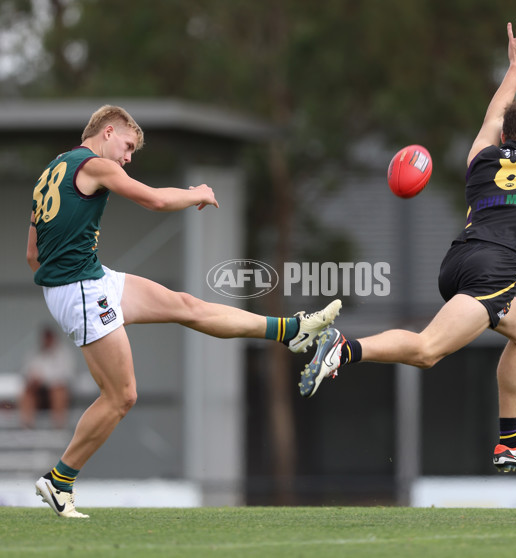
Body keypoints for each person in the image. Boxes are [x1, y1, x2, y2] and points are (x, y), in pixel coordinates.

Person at [27, 105, 342, 518]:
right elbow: (155, 200)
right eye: (126, 147)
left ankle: (291, 329)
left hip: (86, 280)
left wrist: (65, 284)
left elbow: (33, 254)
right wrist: (198, 192)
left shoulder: (53, 170)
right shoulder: (93, 165)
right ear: (107, 132)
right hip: (82, 287)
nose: (126, 158)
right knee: (122, 395)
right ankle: (59, 480)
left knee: (186, 306)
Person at [300, 15, 516, 474]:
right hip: (496, 269)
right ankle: (344, 348)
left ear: (504, 137)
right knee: (427, 351)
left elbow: (492, 117)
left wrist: (514, 67)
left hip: (458, 262)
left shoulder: (480, 158)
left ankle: (510, 442)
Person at [19, 325, 77, 430]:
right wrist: (34, 380)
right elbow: (26, 372)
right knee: (27, 392)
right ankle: (26, 425)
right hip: (39, 392)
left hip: (57, 391)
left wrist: (46, 380)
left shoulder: (64, 354)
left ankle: (58, 425)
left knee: (58, 390)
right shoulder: (34, 353)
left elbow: (67, 376)